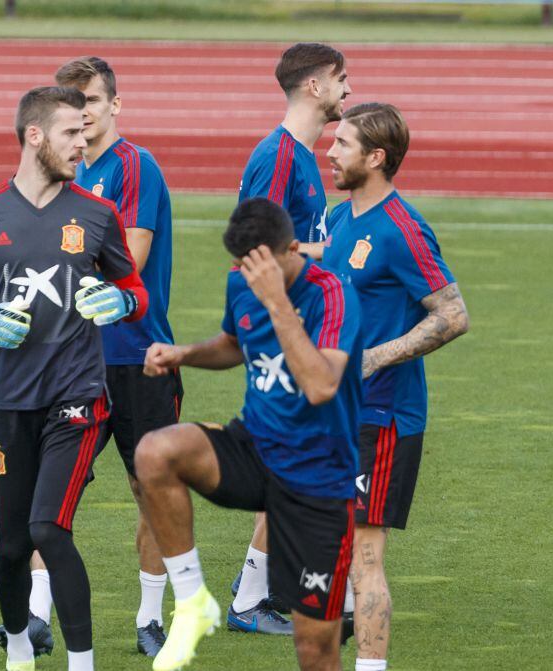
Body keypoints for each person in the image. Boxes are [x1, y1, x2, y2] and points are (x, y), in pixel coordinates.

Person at [0, 85, 148, 671]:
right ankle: (20, 647)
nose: (84, 143)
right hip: (8, 400)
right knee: (10, 549)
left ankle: (83, 662)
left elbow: (134, 290)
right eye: (71, 133)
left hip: (77, 397)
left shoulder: (96, 214)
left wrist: (120, 303)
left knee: (49, 529)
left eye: (85, 132)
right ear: (35, 136)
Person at [134, 196, 361, 671]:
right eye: (241, 265)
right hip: (255, 449)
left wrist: (278, 301)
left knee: (315, 650)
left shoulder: (332, 293)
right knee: (156, 452)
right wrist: (184, 354)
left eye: (259, 266)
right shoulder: (241, 283)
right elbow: (234, 345)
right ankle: (194, 600)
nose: (249, 276)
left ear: (292, 249)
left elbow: (320, 385)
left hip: (316, 483)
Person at [324, 102, 469, 671]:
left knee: (365, 556)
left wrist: (372, 359)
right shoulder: (340, 220)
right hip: (331, 412)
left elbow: (453, 315)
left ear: (376, 157)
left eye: (342, 144)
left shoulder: (402, 229)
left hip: (381, 417)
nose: (330, 152)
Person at [229, 41, 351, 636]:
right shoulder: (277, 157)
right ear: (314, 86)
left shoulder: (301, 155)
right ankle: (253, 598)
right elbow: (254, 247)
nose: (347, 91)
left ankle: (267, 589)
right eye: (341, 79)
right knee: (293, 459)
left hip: (298, 322)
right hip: (281, 329)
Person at [58, 55, 178, 656]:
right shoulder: (59, 172)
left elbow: (128, 256)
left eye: (92, 101)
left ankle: (150, 618)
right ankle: (31, 617)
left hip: (137, 355)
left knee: (149, 487)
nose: (83, 113)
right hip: (71, 359)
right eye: (72, 103)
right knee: (47, 488)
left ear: (114, 106)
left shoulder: (134, 166)